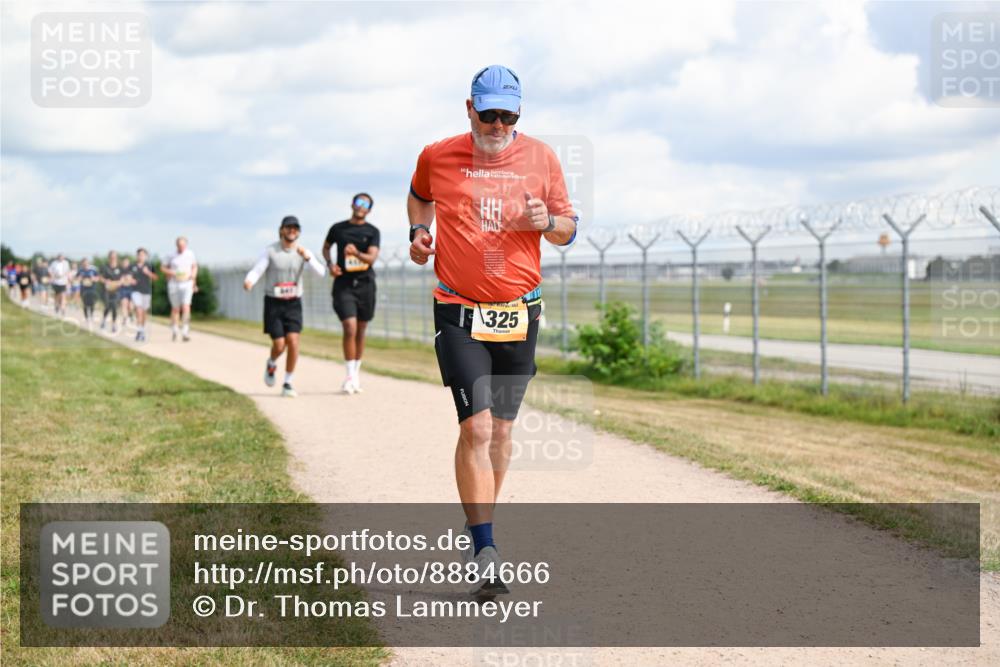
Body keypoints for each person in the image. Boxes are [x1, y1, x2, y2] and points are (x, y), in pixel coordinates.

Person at [407, 65, 578, 597]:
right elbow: (418, 195)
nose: (498, 123)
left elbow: (569, 229)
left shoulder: (542, 158)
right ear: (470, 108)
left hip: (520, 313)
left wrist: (544, 223)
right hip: (458, 310)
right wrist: (419, 231)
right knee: (476, 430)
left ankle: (480, 527)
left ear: (519, 113)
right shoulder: (438, 155)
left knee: (502, 433)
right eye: (490, 113)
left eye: (509, 114)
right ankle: (485, 548)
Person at [243, 216, 326, 397]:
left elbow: (321, 273)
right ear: (281, 230)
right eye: (288, 227)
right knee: (280, 345)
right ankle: (272, 362)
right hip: (274, 302)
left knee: (294, 341)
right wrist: (249, 281)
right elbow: (258, 269)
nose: (292, 231)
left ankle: (288, 382)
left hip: (294, 302)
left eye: (295, 228)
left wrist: (308, 258)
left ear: (299, 232)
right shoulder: (271, 251)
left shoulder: (303, 251)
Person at [322, 193, 380, 394]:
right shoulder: (338, 228)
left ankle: (356, 373)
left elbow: (372, 258)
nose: (361, 206)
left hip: (365, 284)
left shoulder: (372, 231)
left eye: (366, 204)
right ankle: (348, 375)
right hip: (343, 284)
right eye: (359, 202)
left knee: (361, 328)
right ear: (352, 204)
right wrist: (330, 265)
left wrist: (356, 253)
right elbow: (326, 247)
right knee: (349, 327)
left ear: (369, 210)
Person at [163, 237, 198, 342]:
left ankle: (185, 331)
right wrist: (172, 272)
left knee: (186, 306)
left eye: (183, 245)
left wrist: (193, 278)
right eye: (179, 245)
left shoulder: (190, 254)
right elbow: (163, 268)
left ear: (186, 245)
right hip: (174, 283)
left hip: (187, 283)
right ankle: (175, 329)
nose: (181, 247)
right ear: (176, 245)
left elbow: (195, 267)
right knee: (176, 308)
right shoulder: (170, 255)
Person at [129, 248, 158, 341]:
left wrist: (148, 273)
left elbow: (155, 278)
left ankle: (141, 330)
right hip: (136, 291)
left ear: (146, 256)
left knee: (144, 312)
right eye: (139, 255)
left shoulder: (149, 266)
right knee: (138, 309)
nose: (140, 256)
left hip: (146, 291)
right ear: (137, 256)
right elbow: (126, 277)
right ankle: (139, 331)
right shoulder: (132, 266)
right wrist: (130, 280)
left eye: (142, 255)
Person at [100, 251, 124, 333]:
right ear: (109, 258)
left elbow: (122, 279)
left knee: (114, 306)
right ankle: (104, 319)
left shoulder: (120, 267)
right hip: (106, 290)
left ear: (116, 257)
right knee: (107, 305)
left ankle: (113, 324)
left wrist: (118, 283)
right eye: (111, 257)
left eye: (114, 257)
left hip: (116, 290)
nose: (113, 259)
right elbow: (100, 278)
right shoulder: (105, 267)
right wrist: (105, 281)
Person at [77, 258, 100, 324]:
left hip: (92, 289)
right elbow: (76, 278)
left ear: (88, 263)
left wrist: (94, 279)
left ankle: (91, 315)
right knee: (85, 303)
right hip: (83, 289)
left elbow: (98, 278)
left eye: (86, 263)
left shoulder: (93, 270)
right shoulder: (80, 270)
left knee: (92, 303)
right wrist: (79, 278)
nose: (85, 265)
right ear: (82, 264)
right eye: (83, 263)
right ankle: (86, 317)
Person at [118, 256, 135, 326]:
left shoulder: (132, 270)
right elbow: (118, 281)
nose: (125, 264)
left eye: (127, 262)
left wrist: (130, 280)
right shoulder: (119, 271)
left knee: (130, 306)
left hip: (131, 289)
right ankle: (125, 318)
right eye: (124, 262)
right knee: (124, 304)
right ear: (122, 263)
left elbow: (135, 280)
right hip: (123, 289)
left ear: (129, 263)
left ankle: (130, 315)